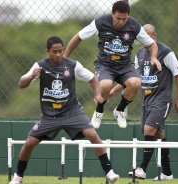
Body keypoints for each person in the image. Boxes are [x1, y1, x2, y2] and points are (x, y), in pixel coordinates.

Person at [9, 36, 119, 184]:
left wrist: (98, 94)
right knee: (29, 143)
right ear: (47, 51)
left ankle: (109, 172)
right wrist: (31, 77)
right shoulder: (40, 65)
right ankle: (18, 176)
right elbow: (21, 84)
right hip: (49, 116)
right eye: (54, 51)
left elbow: (93, 78)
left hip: (72, 112)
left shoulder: (73, 65)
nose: (58, 54)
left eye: (61, 51)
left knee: (92, 134)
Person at [64, 0, 161, 129]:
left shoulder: (134, 26)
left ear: (128, 16)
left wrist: (154, 57)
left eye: (124, 19)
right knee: (105, 85)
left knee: (136, 83)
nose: (121, 22)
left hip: (125, 66)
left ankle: (120, 110)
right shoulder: (100, 22)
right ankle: (98, 112)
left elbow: (151, 43)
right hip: (105, 65)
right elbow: (78, 37)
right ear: (112, 14)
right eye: (118, 18)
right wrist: (65, 57)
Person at [110, 24, 178, 180]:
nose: (146, 40)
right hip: (147, 100)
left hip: (162, 100)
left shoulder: (166, 52)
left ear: (155, 36)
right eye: (142, 37)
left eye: (149, 36)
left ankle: (142, 169)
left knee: (148, 130)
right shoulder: (139, 54)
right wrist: (112, 91)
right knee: (158, 135)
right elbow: (131, 78)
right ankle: (167, 173)